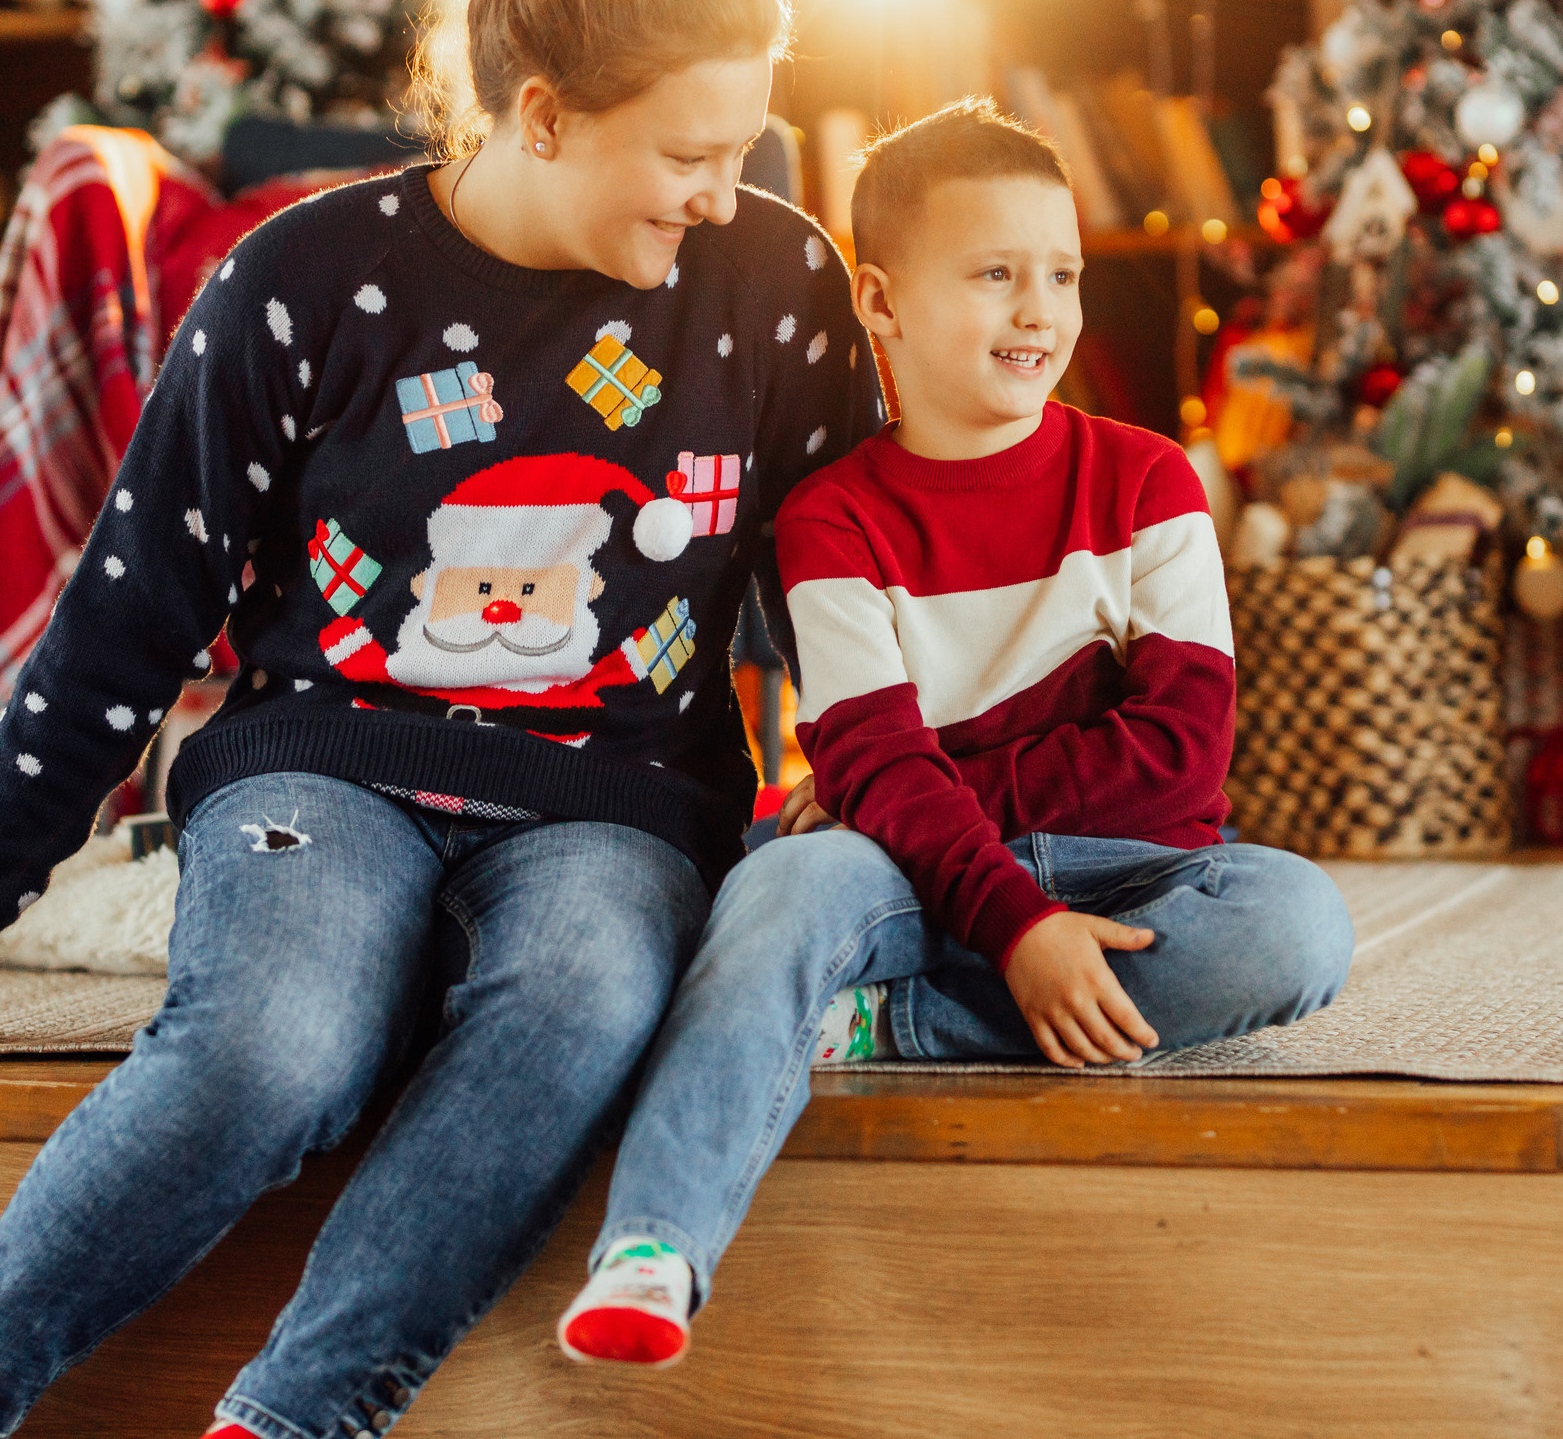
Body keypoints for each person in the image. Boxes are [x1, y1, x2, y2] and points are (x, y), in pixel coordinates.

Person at [0, 0, 885, 1439]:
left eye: (744, 146)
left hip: (618, 794)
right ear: (543, 113)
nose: (724, 193)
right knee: (268, 1049)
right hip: (328, 766)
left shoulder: (769, 281)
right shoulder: (303, 280)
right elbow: (131, 608)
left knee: (580, 1004)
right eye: (687, 154)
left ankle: (294, 1419)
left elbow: (841, 581)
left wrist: (898, 809)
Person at [553, 100, 1356, 1367]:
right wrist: (978, 886)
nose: (1039, 311)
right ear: (879, 301)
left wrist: (933, 810)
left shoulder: (1147, 482)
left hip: (1109, 862)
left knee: (1295, 922)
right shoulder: (832, 521)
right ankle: (654, 1247)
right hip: (895, 868)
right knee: (785, 887)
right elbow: (870, 766)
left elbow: (1179, 765)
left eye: (1060, 275)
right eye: (994, 275)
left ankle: (893, 1021)